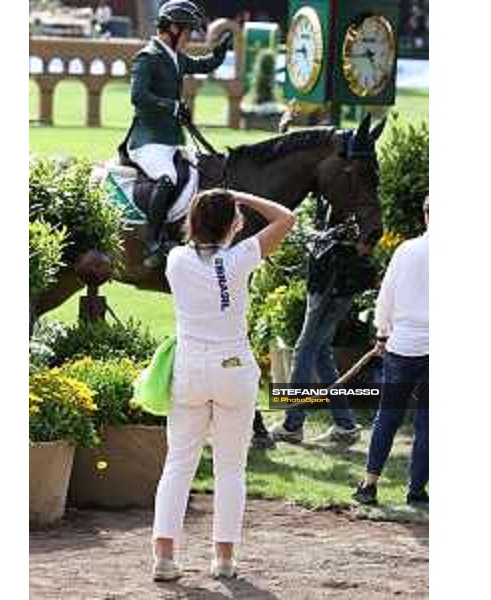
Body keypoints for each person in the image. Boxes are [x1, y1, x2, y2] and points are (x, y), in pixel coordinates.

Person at [151, 189, 295, 581]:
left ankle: (164, 557)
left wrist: (219, 207)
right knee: (231, 469)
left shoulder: (176, 259)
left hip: (191, 369)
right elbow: (287, 217)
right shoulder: (240, 257)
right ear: (234, 223)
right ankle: (224, 559)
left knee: (178, 465)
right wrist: (242, 196)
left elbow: (200, 243)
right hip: (234, 369)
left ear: (193, 222)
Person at [120, 0, 232, 267]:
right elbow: (138, 97)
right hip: (147, 140)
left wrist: (219, 55)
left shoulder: (175, 57)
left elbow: (201, 65)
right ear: (172, 28)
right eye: (188, 31)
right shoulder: (147, 57)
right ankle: (152, 242)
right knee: (168, 177)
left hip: (171, 140)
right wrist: (172, 106)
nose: (191, 37)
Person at [269, 222, 378, 447]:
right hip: (341, 282)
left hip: (330, 282)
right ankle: (345, 425)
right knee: (320, 353)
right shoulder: (357, 201)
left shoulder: (349, 199)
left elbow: (366, 239)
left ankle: (292, 425)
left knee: (304, 351)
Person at [353, 195, 429, 507]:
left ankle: (369, 485)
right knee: (430, 421)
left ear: (427, 215)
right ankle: (416, 490)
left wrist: (382, 333)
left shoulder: (407, 250)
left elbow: (386, 296)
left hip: (402, 346)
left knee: (388, 416)